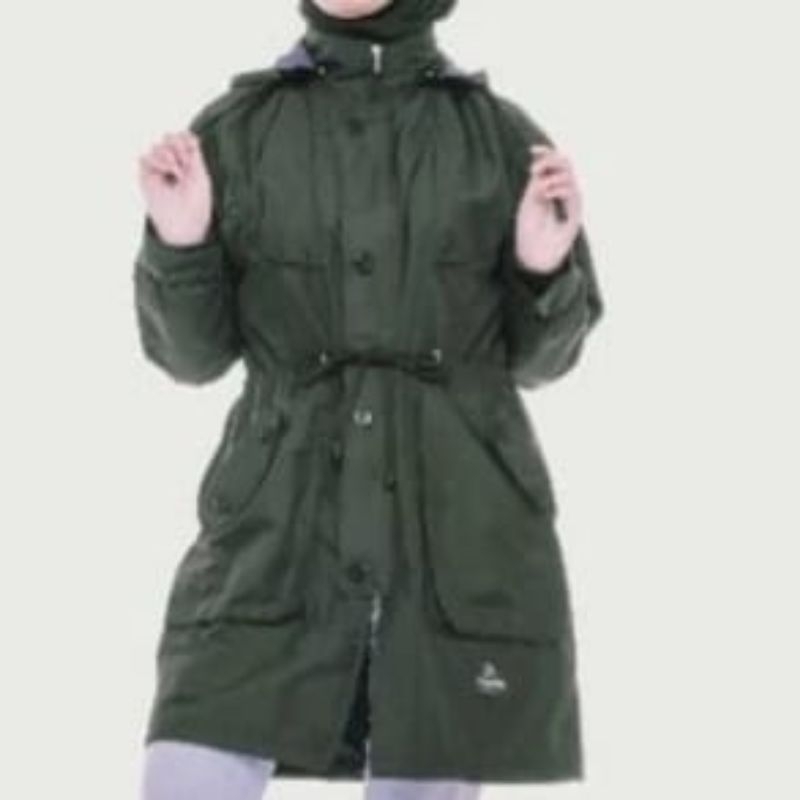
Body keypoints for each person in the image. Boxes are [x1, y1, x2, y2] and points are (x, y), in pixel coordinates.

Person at [133, 0, 604, 797]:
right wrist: (180, 243)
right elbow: (192, 357)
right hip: (272, 541)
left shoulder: (498, 138)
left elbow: (540, 361)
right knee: (189, 768)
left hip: (453, 544)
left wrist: (543, 266)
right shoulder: (238, 130)